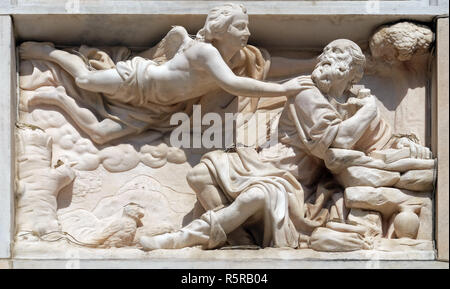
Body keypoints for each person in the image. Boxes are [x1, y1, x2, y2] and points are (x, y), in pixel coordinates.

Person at [139, 39, 431, 251]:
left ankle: (188, 237)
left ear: (352, 73)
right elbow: (337, 140)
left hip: (293, 180)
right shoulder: (306, 91)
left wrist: (407, 143)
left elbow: (380, 141)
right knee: (200, 174)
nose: (326, 56)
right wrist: (369, 111)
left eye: (337, 54)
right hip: (268, 163)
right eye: (325, 52)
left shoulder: (354, 106)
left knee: (256, 195)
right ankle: (236, 238)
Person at [19, 3, 305, 144]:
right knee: (85, 80)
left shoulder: (237, 57)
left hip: (158, 108)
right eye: (240, 27)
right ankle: (46, 53)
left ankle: (57, 98)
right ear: (220, 29)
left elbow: (268, 65)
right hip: (139, 82)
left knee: (100, 135)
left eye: (246, 27)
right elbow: (233, 84)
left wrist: (312, 64)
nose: (248, 32)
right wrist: (284, 89)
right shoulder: (205, 52)